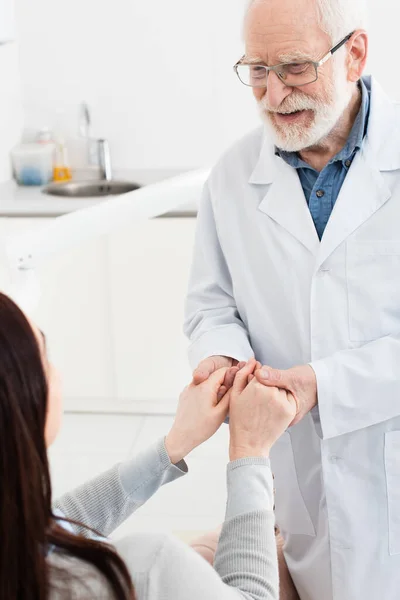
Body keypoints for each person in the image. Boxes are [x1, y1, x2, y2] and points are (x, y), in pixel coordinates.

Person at [184, 0, 400, 599]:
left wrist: (322, 383)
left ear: (354, 53)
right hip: (303, 484)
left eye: (295, 68)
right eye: (257, 70)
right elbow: (210, 304)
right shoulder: (231, 177)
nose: (274, 93)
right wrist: (222, 359)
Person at [0, 291, 297, 599]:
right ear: (20, 402)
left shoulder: (15, 550)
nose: (57, 374)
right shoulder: (147, 568)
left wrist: (174, 445)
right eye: (45, 359)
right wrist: (250, 450)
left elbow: (56, 524)